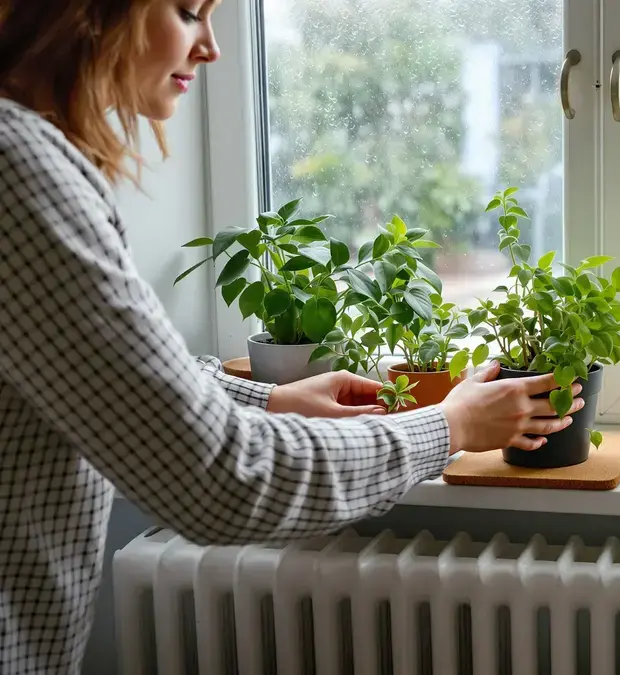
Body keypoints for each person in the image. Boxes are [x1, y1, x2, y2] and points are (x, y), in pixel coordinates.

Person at [0, 1, 583, 672]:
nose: (211, 47)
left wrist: (272, 400)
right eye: (188, 12)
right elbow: (223, 478)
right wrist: (451, 426)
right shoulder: (21, 171)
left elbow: (110, 379)